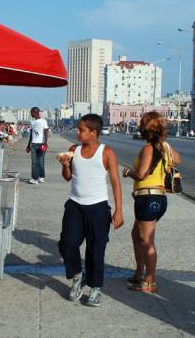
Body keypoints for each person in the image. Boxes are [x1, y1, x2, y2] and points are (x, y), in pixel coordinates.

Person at [57, 114, 124, 307]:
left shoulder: (107, 152)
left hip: (98, 208)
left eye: (81, 130)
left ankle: (95, 288)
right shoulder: (73, 150)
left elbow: (115, 182)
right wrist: (65, 165)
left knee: (96, 250)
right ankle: (78, 275)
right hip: (75, 205)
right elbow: (67, 177)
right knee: (67, 244)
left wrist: (119, 210)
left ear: (93, 132)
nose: (77, 133)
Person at [122, 112, 181, 293]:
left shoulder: (149, 149)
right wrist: (166, 145)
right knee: (136, 235)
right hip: (157, 198)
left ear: (145, 127)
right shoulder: (164, 146)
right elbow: (177, 160)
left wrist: (128, 172)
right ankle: (140, 273)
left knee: (147, 240)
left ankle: (149, 281)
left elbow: (142, 174)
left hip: (148, 198)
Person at [26, 107, 49, 184]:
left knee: (41, 162)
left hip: (41, 144)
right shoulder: (32, 122)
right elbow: (31, 134)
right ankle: (34, 178)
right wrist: (28, 145)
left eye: (31, 113)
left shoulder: (43, 121)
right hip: (33, 144)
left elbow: (46, 132)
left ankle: (41, 176)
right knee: (34, 162)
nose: (31, 114)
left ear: (35, 112)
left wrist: (45, 143)